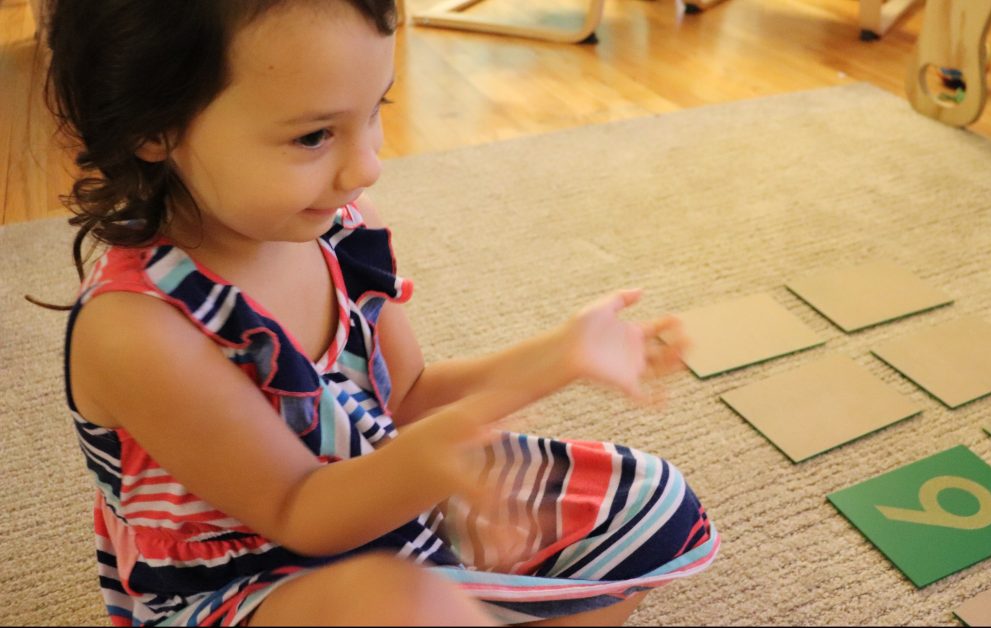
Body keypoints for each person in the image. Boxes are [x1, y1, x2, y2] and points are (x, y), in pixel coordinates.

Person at [45, 0, 719, 625]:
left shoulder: (340, 228)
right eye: (314, 135)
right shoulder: (139, 330)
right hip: (244, 580)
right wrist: (428, 461)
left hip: (386, 498)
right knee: (397, 605)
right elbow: (297, 510)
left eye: (375, 109)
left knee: (653, 504)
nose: (366, 165)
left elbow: (411, 395)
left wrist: (561, 355)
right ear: (151, 128)